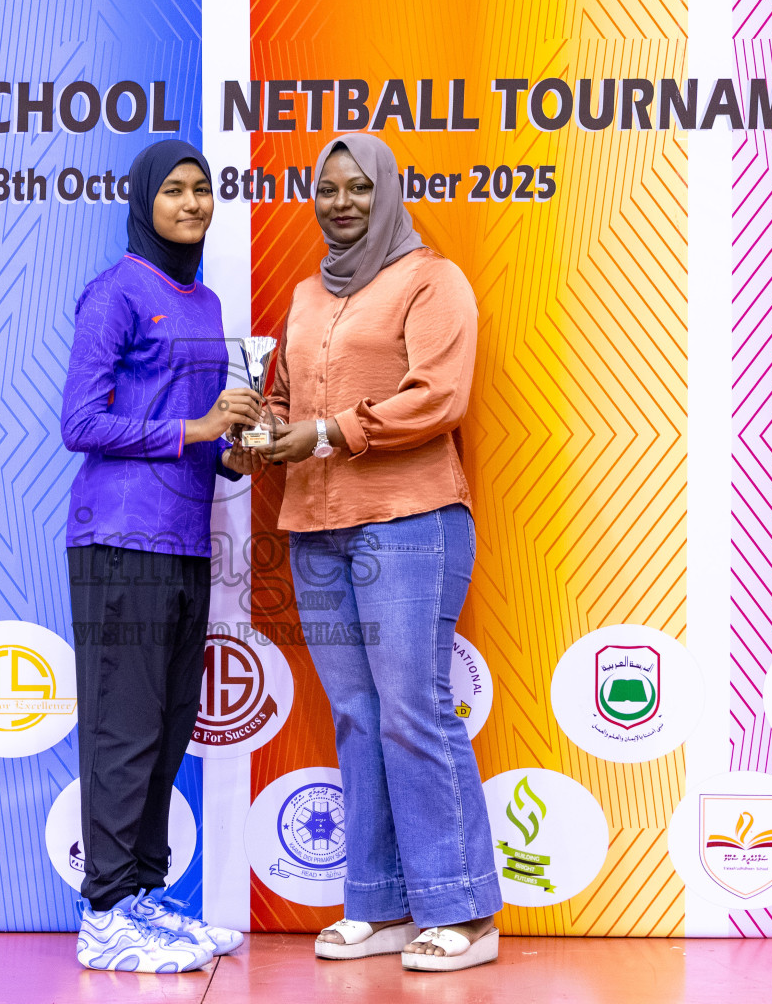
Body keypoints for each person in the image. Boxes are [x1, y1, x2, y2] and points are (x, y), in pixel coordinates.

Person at [257, 133, 501, 972]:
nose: (343, 202)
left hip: (407, 519)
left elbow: (438, 396)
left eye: (360, 187)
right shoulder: (304, 295)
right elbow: (287, 396)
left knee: (411, 710)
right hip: (316, 527)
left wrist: (327, 432)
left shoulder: (433, 279)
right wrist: (261, 421)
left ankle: (464, 910)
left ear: (387, 191)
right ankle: (382, 904)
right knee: (358, 718)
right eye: (328, 189)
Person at [60, 139, 256, 972]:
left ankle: (140, 898)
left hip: (183, 540)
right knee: (124, 730)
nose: (192, 204)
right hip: (117, 539)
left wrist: (233, 450)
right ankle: (102, 915)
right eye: (174, 190)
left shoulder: (205, 302)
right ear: (144, 201)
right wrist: (194, 431)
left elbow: (205, 435)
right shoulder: (115, 294)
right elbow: (79, 423)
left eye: (203, 190)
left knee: (170, 726)